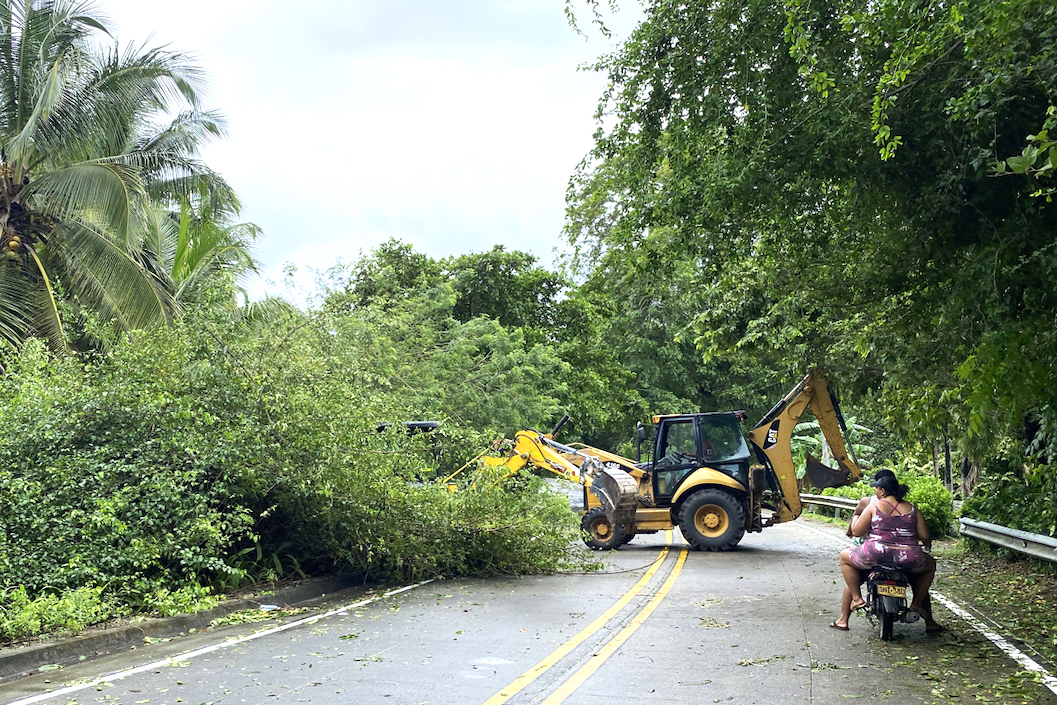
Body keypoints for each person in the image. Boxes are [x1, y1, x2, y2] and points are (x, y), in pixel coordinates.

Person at [831, 474, 943, 632]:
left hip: (876, 553)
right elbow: (925, 536)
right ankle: (917, 603)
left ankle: (856, 599)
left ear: (882, 491)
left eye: (876, 488)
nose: (875, 492)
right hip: (908, 557)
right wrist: (926, 545)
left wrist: (855, 519)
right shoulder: (912, 508)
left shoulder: (874, 506)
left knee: (844, 557)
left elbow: (856, 532)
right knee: (930, 565)